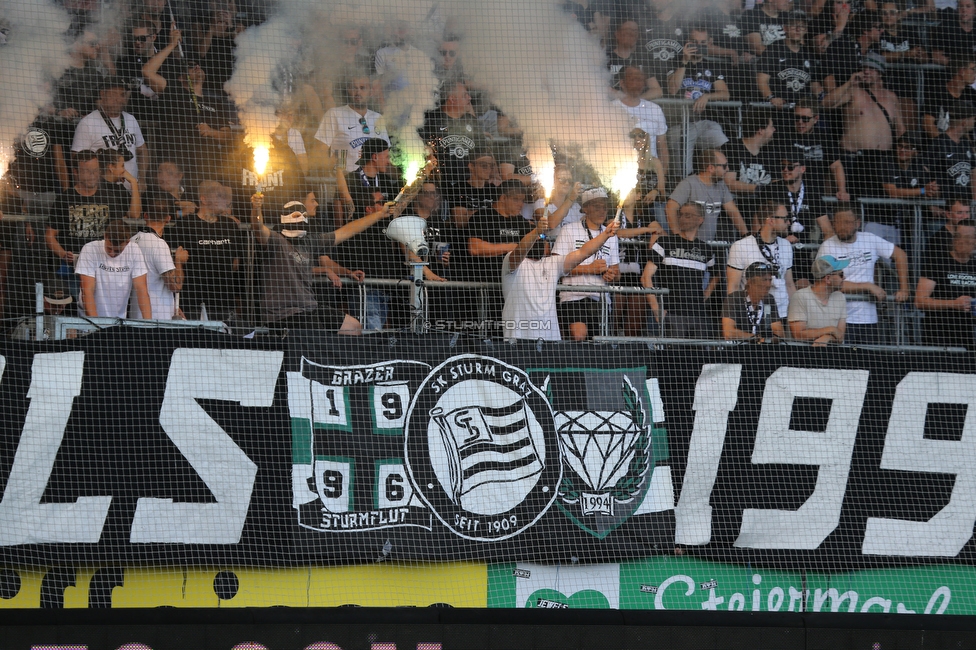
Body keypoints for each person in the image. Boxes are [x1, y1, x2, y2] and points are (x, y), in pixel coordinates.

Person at [249, 188, 409, 334]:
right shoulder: (275, 241)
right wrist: (256, 208)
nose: (301, 219)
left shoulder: (309, 242)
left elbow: (347, 231)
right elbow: (257, 226)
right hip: (284, 313)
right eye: (296, 215)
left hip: (309, 308)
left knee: (353, 326)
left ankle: (342, 365)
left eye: (303, 215)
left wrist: (380, 214)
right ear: (284, 218)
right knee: (318, 338)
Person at [501, 211, 621, 341]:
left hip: (550, 340)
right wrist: (537, 231)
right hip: (518, 339)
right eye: (539, 237)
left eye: (544, 238)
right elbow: (520, 251)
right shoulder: (511, 261)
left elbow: (583, 252)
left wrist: (605, 235)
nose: (542, 241)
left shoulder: (552, 263)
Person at [46, 152, 135, 301]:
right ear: (75, 172)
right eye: (87, 171)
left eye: (96, 170)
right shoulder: (64, 199)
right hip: (73, 271)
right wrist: (63, 255)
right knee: (77, 310)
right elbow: (50, 235)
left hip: (104, 268)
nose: (93, 175)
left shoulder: (109, 198)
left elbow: (118, 232)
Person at [817, 205, 910, 344]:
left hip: (869, 318)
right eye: (837, 222)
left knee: (867, 363)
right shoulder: (828, 246)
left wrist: (904, 288)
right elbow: (829, 283)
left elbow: (900, 255)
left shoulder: (869, 239)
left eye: (847, 222)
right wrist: (867, 286)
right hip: (838, 320)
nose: (842, 227)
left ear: (858, 223)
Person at [822, 52, 905, 198]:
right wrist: (849, 83)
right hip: (855, 159)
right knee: (854, 202)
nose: (866, 71)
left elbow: (900, 129)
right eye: (864, 67)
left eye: (871, 68)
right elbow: (825, 104)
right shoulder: (853, 92)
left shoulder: (891, 97)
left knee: (880, 205)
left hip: (883, 160)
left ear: (880, 72)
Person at [167, 180, 243, 322]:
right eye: (219, 196)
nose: (225, 200)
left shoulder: (230, 225)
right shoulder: (186, 224)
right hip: (192, 301)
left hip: (223, 301)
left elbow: (235, 264)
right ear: (204, 199)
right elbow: (172, 265)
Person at [552, 187, 621, 341]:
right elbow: (555, 266)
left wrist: (612, 274)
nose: (602, 211)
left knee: (599, 342)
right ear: (585, 208)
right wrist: (589, 269)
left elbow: (617, 272)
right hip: (573, 296)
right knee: (579, 336)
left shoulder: (611, 235)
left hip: (600, 298)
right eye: (597, 206)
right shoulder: (569, 230)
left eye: (604, 207)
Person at [314, 72, 390, 209]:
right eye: (354, 87)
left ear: (370, 91)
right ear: (348, 90)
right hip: (346, 185)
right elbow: (320, 152)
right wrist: (336, 165)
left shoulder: (378, 118)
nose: (358, 92)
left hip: (375, 188)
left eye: (362, 88)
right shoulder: (334, 114)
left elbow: (385, 155)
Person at [642, 202, 718, 338]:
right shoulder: (664, 243)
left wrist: (705, 295)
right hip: (672, 312)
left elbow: (716, 275)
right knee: (673, 357)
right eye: (680, 215)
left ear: (700, 219)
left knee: (701, 358)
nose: (682, 218)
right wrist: (656, 308)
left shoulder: (706, 249)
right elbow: (646, 277)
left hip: (698, 314)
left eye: (688, 215)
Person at [666, 26, 731, 175]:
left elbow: (725, 94)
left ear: (709, 42)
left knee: (724, 144)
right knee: (683, 172)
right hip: (680, 124)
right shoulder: (675, 62)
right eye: (694, 42)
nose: (698, 46)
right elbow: (672, 89)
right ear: (687, 42)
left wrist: (707, 96)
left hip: (704, 123)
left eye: (702, 43)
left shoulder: (712, 65)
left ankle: (720, 182)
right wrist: (684, 61)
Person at [71, 76, 149, 183]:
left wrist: (142, 180)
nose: (119, 99)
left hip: (132, 191)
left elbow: (142, 151)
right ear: (103, 95)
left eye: (122, 95)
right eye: (113, 94)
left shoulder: (131, 119)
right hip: (103, 193)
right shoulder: (87, 123)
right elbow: (77, 161)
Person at [727, 201, 796, 320]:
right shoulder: (741, 246)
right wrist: (735, 316)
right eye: (785, 219)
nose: (789, 223)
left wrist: (794, 313)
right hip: (753, 314)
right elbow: (733, 286)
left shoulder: (786, 245)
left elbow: (789, 284)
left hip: (782, 313)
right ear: (771, 220)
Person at [915, 219, 976, 348]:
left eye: (967, 237)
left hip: (970, 339)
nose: (961, 241)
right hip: (939, 338)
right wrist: (953, 304)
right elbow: (920, 301)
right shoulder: (937, 262)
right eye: (958, 236)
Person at [129, 190, 188, 320]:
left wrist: (174, 305)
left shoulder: (132, 241)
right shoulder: (158, 244)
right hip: (157, 317)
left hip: (135, 313)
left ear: (145, 215)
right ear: (168, 218)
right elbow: (175, 285)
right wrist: (178, 261)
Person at [76, 220, 152, 319]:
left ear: (127, 242)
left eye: (117, 251)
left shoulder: (134, 250)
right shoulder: (90, 249)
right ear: (105, 236)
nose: (112, 254)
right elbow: (87, 291)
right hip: (89, 319)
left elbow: (141, 289)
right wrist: (96, 325)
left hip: (118, 319)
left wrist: (149, 324)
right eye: (109, 248)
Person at [667, 149, 747, 241]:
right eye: (724, 166)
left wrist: (746, 236)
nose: (727, 169)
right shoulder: (688, 184)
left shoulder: (721, 186)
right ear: (711, 168)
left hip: (707, 246)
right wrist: (677, 236)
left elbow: (733, 211)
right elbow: (670, 207)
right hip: (687, 246)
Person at [781, 99, 849, 200]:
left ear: (816, 119)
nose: (800, 122)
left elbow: (836, 165)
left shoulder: (823, 137)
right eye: (797, 118)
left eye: (805, 119)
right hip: (788, 193)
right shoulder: (785, 135)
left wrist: (842, 190)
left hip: (815, 193)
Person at [756, 10, 822, 111]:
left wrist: (817, 99)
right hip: (778, 109)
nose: (798, 29)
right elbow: (761, 80)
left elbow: (814, 85)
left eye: (802, 26)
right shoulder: (773, 49)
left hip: (801, 112)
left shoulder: (809, 54)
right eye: (793, 25)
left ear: (806, 30)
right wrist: (771, 98)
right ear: (785, 28)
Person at [722, 107, 778, 219]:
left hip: (763, 213)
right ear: (761, 131)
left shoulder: (771, 152)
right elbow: (729, 183)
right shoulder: (732, 148)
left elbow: (776, 183)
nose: (774, 129)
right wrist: (758, 189)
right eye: (771, 126)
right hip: (735, 210)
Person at [614, 65, 669, 173]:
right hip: (619, 169)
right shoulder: (611, 109)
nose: (636, 83)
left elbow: (662, 144)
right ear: (622, 83)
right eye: (632, 79)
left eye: (639, 79)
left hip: (651, 171)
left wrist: (663, 174)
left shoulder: (655, 109)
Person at [788, 255, 849, 345]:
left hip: (834, 353)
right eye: (841, 274)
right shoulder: (800, 297)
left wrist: (827, 337)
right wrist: (831, 330)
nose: (844, 278)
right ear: (827, 278)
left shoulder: (840, 297)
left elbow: (840, 335)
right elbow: (798, 334)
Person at [925, 100, 976, 204]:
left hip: (965, 207)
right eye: (973, 119)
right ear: (964, 121)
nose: (974, 122)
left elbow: (974, 173)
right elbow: (924, 171)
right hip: (944, 206)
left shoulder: (966, 143)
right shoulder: (939, 144)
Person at [722, 261, 785, 340]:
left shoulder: (768, 300)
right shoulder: (734, 299)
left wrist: (769, 339)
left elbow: (778, 331)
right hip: (738, 349)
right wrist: (755, 338)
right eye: (764, 279)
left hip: (764, 349)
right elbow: (728, 333)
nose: (769, 285)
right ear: (750, 282)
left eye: (770, 279)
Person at [921, 58, 976, 139]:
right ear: (962, 71)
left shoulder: (970, 94)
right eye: (973, 69)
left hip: (963, 146)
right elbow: (927, 124)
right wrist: (945, 145)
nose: (975, 73)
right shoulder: (938, 92)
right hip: (940, 144)